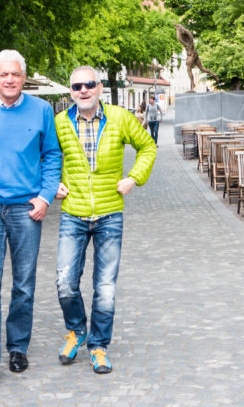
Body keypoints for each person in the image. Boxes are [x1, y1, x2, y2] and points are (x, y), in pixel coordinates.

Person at [0, 50, 62, 383]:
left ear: (23, 77)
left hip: (26, 207)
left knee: (24, 282)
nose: (9, 80)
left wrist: (46, 197)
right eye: (4, 75)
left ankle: (18, 347)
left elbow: (51, 156)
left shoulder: (42, 110)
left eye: (15, 74)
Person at [54, 66, 156, 374]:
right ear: (70, 91)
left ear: (99, 88)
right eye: (76, 86)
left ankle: (98, 345)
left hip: (110, 212)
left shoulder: (120, 118)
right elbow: (44, 157)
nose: (83, 90)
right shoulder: (59, 122)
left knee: (105, 287)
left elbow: (148, 147)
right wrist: (50, 184)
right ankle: (76, 329)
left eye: (89, 84)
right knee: (65, 283)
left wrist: (134, 178)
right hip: (73, 212)